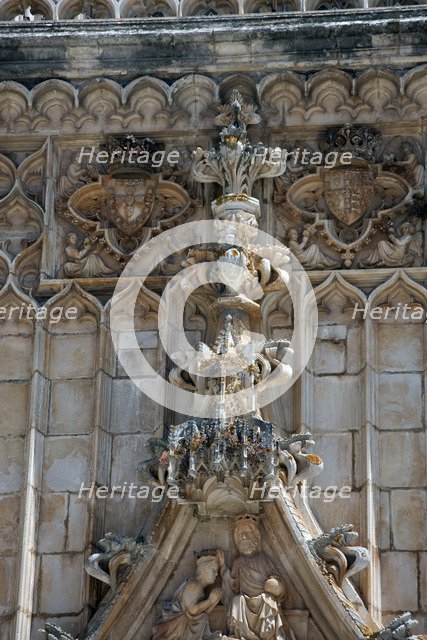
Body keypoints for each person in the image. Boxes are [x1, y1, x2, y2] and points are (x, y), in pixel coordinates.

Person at [218, 516, 287, 640]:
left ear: (255, 539)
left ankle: (268, 634)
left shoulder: (263, 559)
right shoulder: (238, 562)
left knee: (268, 599)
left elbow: (277, 581)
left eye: (247, 534)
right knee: (237, 601)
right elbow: (233, 584)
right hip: (244, 599)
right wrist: (223, 567)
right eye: (240, 536)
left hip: (262, 598)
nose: (244, 538)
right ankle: (241, 634)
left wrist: (276, 583)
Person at [153, 550, 224, 640]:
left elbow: (201, 614)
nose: (216, 574)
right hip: (179, 628)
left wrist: (213, 602)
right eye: (213, 571)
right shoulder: (194, 584)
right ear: (204, 570)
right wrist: (209, 601)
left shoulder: (200, 589)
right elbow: (192, 610)